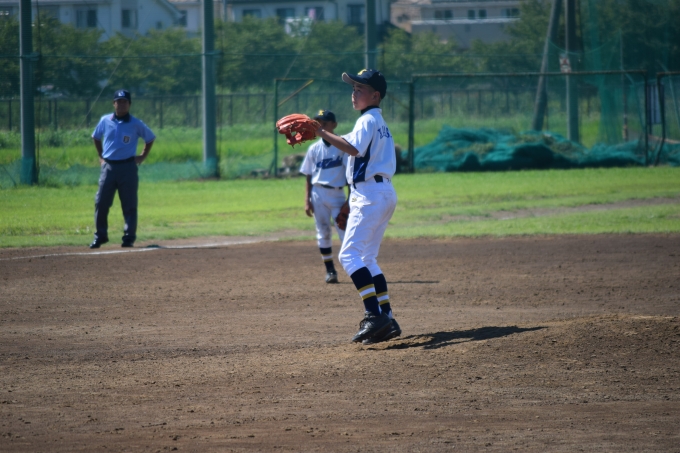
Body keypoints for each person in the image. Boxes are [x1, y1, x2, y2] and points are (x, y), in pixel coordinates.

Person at [313, 69, 401, 345]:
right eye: (353, 88)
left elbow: (352, 148)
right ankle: (387, 318)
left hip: (370, 194)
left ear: (375, 95)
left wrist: (321, 132)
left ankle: (374, 315)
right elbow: (353, 147)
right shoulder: (378, 121)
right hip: (381, 192)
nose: (354, 93)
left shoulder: (367, 120)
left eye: (359, 89)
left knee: (349, 256)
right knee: (368, 258)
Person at [89, 89, 156, 249]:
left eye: (125, 101)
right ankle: (100, 236)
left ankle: (128, 237)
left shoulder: (135, 123)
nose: (121, 104)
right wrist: (101, 156)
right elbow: (96, 137)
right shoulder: (105, 120)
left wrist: (142, 156)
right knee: (101, 202)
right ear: (113, 104)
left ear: (129, 104)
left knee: (129, 204)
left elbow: (150, 138)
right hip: (109, 166)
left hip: (128, 167)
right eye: (118, 101)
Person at [299, 110, 349, 284]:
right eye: (317, 123)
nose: (320, 126)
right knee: (323, 232)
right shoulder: (314, 148)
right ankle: (330, 271)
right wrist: (307, 200)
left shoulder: (343, 146)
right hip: (318, 194)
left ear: (334, 125)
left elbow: (350, 175)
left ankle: (355, 269)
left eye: (324, 123)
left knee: (344, 232)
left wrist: (350, 200)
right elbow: (308, 175)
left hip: (337, 194)